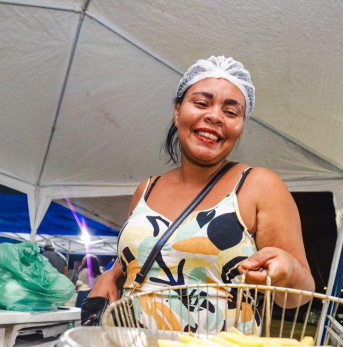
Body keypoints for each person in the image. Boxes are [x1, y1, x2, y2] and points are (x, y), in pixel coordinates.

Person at [87, 56, 313, 329]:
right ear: (178, 110)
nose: (215, 116)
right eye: (202, 103)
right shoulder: (146, 189)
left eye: (231, 112)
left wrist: (287, 271)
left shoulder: (258, 186)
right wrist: (111, 275)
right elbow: (147, 258)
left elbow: (300, 294)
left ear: (240, 126)